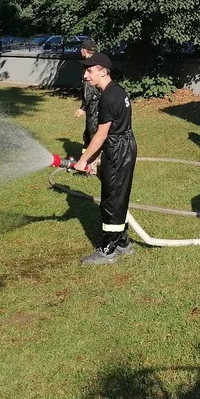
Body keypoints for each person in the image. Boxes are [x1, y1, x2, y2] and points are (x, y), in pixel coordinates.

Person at [74, 52, 137, 265]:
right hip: (123, 145)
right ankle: (123, 243)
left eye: (89, 71)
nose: (85, 76)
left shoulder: (108, 97)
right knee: (117, 195)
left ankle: (109, 249)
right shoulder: (117, 91)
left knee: (111, 200)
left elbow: (101, 134)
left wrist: (84, 160)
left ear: (103, 71)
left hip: (118, 147)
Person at [74, 39, 100, 153]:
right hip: (97, 102)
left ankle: (93, 162)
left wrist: (83, 108)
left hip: (95, 104)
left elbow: (89, 89)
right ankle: (88, 157)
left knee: (93, 132)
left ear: (84, 50)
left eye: (81, 49)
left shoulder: (90, 64)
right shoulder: (98, 61)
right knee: (90, 132)